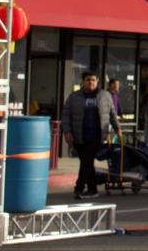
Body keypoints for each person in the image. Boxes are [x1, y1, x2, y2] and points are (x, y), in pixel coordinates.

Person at [61, 71, 118, 200]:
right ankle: (92, 189)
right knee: (87, 163)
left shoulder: (104, 95)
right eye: (88, 80)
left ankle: (79, 187)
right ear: (83, 81)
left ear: (97, 81)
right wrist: (67, 131)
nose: (90, 82)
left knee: (87, 161)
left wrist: (117, 128)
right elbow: (66, 115)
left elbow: (112, 114)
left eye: (93, 80)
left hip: (96, 136)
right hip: (79, 136)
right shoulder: (74, 97)